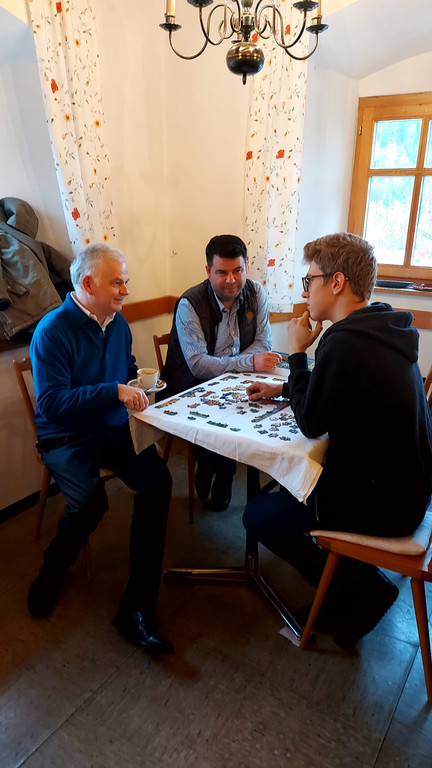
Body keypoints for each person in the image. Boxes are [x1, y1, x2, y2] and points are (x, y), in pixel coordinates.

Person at [243, 232, 432, 646]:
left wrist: (296, 353)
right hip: (412, 490)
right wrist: (286, 386)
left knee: (257, 516)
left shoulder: (345, 341)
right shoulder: (379, 325)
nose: (305, 291)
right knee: (291, 488)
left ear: (337, 282)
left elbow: (311, 422)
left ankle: (361, 590)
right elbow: (340, 392)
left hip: (384, 505)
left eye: (310, 280)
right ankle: (348, 586)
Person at [28, 244, 174, 654]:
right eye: (117, 282)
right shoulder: (53, 330)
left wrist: (139, 384)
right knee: (92, 500)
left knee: (158, 483)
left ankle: (137, 609)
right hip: (65, 435)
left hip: (109, 428)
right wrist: (113, 391)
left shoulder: (118, 323)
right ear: (88, 284)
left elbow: (125, 369)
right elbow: (51, 403)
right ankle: (53, 568)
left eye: (126, 281)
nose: (125, 290)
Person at [161, 234, 281, 511]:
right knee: (219, 419)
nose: (231, 280)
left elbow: (264, 343)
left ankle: (222, 472)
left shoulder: (256, 293)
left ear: (246, 267)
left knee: (250, 409)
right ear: (208, 271)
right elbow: (199, 365)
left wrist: (235, 365)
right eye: (222, 272)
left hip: (235, 381)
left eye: (237, 270)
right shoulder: (189, 304)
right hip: (190, 385)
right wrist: (248, 362)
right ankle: (212, 466)